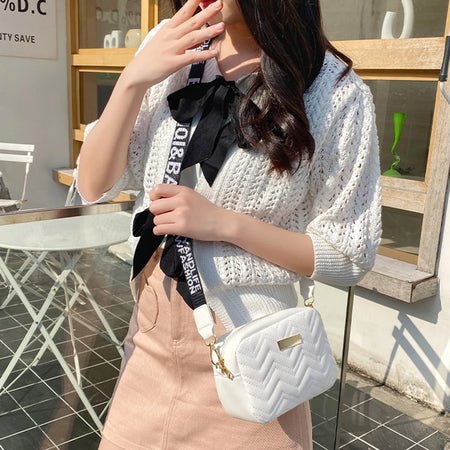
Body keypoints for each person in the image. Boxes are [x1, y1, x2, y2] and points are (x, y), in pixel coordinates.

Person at [77, 0, 382, 448]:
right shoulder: (171, 46)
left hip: (253, 352)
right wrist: (133, 79)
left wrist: (223, 224)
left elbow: (349, 255)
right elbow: (92, 185)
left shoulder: (335, 91)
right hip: (151, 334)